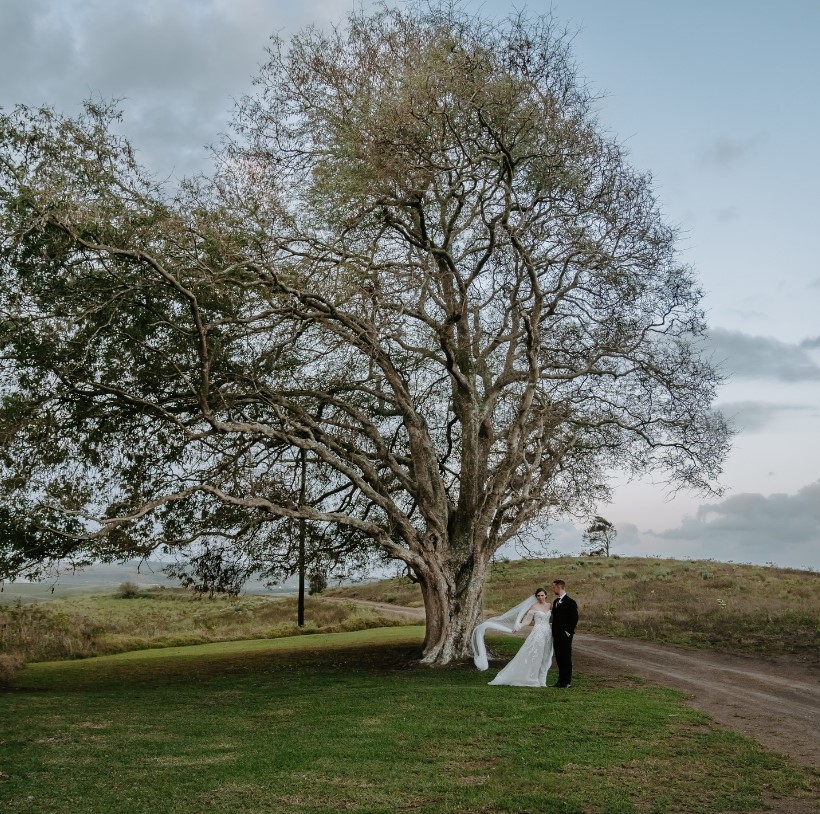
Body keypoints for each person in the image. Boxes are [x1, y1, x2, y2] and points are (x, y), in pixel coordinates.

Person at [472, 588, 554, 687]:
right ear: (536, 597)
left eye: (542, 595)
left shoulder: (550, 605)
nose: (540, 597)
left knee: (547, 656)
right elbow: (527, 621)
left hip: (548, 633)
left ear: (545, 595)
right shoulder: (533, 607)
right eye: (538, 596)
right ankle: (532, 679)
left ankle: (542, 680)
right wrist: (518, 626)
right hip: (538, 633)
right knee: (536, 655)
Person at [550, 579, 578, 688]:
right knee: (559, 658)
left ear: (559, 587)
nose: (553, 589)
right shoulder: (556, 602)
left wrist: (567, 632)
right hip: (556, 635)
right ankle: (560, 681)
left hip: (565, 636)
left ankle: (567, 682)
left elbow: (574, 618)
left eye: (554, 587)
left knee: (566, 658)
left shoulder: (570, 602)